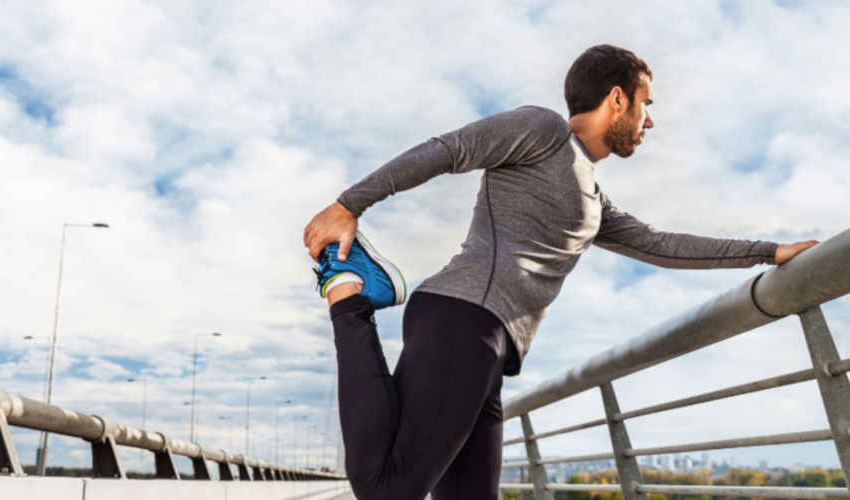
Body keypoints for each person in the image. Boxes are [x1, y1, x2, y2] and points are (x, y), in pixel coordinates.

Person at [302, 44, 817, 500]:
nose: (650, 122)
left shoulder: (593, 201)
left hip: (491, 351)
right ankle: (349, 294)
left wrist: (768, 252)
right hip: (462, 318)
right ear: (617, 99)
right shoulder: (541, 130)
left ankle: (353, 292)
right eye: (646, 105)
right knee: (389, 489)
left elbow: (661, 245)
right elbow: (448, 149)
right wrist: (350, 205)